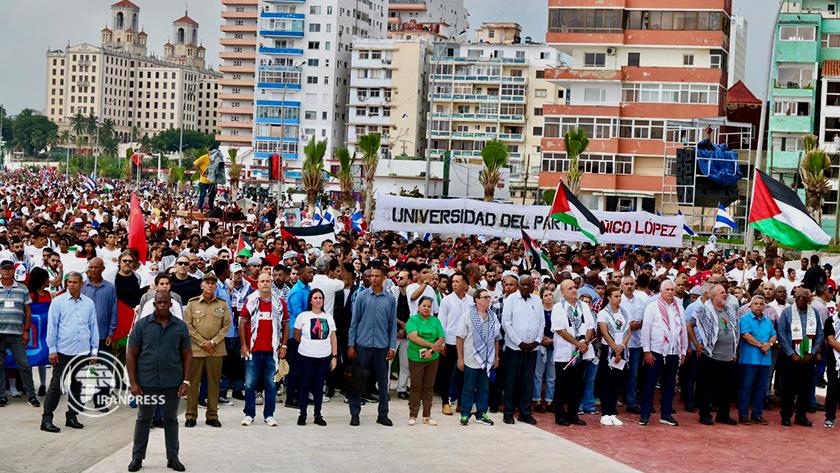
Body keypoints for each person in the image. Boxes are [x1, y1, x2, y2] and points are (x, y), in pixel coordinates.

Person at [126, 291, 192, 473]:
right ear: (154, 304)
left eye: (165, 302)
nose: (162, 305)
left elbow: (187, 355)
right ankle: (137, 457)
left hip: (172, 381)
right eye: (159, 302)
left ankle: (173, 457)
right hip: (146, 381)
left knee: (171, 419)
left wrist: (186, 381)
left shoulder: (180, 327)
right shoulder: (141, 326)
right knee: (143, 419)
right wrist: (133, 382)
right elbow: (131, 354)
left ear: (171, 304)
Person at [41, 272, 98, 433]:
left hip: (83, 351)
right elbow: (52, 327)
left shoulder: (89, 303)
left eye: (74, 282)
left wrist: (94, 351)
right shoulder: (58, 302)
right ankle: (46, 419)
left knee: (77, 385)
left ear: (81, 284)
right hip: (63, 350)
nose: (71, 285)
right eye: (69, 282)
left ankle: (72, 416)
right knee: (56, 386)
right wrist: (52, 349)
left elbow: (93, 328)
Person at [347, 262, 397, 427]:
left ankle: (383, 415)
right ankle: (355, 414)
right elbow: (354, 322)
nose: (373, 278)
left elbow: (392, 325)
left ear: (383, 278)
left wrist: (392, 347)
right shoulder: (362, 297)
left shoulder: (390, 299)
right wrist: (351, 345)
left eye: (376, 276)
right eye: (371, 276)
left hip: (381, 346)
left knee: (383, 383)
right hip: (363, 345)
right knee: (358, 381)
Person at [183, 272, 231, 428]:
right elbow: (188, 325)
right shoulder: (192, 303)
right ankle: (191, 415)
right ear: (202, 285)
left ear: (215, 286)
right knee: (192, 383)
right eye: (207, 282)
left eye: (212, 283)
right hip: (196, 349)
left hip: (215, 350)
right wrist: (203, 342)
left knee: (213, 383)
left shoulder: (222, 304)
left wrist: (213, 341)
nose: (210, 285)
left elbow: (226, 326)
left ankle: (212, 415)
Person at [239, 272, 287, 427]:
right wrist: (244, 345)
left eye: (268, 281)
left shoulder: (279, 302)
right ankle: (249, 414)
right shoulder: (250, 300)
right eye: (262, 281)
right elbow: (242, 322)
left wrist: (284, 345)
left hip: (272, 350)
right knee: (250, 384)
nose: (265, 283)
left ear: (271, 283)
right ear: (257, 284)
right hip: (253, 350)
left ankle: (269, 415)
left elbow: (286, 324)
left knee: (271, 384)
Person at [639, 280, 686, 426]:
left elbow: (683, 329)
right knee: (650, 384)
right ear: (661, 291)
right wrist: (646, 351)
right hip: (655, 351)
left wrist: (683, 350)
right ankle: (645, 415)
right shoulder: (653, 307)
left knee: (669, 385)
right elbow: (646, 329)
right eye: (667, 290)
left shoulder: (679, 307)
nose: (671, 292)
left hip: (673, 352)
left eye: (672, 290)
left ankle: (666, 415)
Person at [692, 284, 739, 425]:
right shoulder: (704, 310)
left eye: (726, 292)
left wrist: (734, 349)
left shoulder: (729, 310)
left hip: (728, 355)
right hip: (710, 355)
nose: (725, 295)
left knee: (726, 388)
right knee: (706, 387)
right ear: (713, 296)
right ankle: (705, 414)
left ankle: (723, 415)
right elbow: (689, 324)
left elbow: (735, 329)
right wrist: (696, 344)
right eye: (722, 293)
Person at [551, 279, 595, 426]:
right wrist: (577, 344)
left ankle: (573, 414)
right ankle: (560, 415)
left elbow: (590, 326)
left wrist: (585, 343)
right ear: (562, 292)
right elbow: (560, 330)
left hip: (582, 351)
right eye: (569, 288)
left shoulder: (583, 306)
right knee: (562, 385)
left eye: (575, 287)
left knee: (577, 385)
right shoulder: (558, 307)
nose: (574, 290)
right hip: (565, 352)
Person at [501, 275, 544, 425]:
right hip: (514, 348)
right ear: (519, 286)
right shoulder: (511, 300)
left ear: (533, 286)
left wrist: (537, 341)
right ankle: (508, 412)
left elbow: (542, 322)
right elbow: (506, 323)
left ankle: (525, 412)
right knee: (511, 381)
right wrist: (519, 343)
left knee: (528, 381)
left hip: (532, 348)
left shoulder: (537, 300)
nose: (526, 287)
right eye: (523, 285)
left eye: (529, 285)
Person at [778, 287, 824, 427]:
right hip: (790, 356)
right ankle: (786, 415)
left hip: (808, 355)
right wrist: (791, 353)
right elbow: (782, 334)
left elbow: (820, 334)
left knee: (805, 388)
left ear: (809, 299)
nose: (800, 299)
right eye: (798, 297)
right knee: (788, 388)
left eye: (804, 297)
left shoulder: (814, 313)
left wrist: (812, 352)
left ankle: (801, 415)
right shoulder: (787, 312)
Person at [456, 288, 500, 426]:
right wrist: (460, 358)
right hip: (470, 358)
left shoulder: (493, 316)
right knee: (469, 387)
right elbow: (459, 337)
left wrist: (497, 357)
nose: (488, 299)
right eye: (485, 297)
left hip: (487, 359)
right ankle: (465, 413)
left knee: (484, 388)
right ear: (477, 299)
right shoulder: (468, 315)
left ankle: (482, 413)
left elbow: (496, 339)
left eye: (489, 297)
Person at [294, 288, 338, 426]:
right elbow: (296, 334)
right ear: (310, 300)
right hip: (306, 356)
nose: (318, 300)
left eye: (320, 298)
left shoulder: (328, 317)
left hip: (324, 357)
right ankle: (302, 414)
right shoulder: (303, 316)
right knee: (305, 385)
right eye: (315, 298)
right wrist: (307, 344)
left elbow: (333, 337)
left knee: (319, 386)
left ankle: (318, 415)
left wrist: (334, 356)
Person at [0, 259, 39, 408]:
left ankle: (31, 395)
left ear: (13, 271)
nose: (7, 271)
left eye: (10, 269)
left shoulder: (22, 288)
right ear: (0, 271)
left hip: (16, 334)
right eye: (4, 269)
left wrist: (27, 331)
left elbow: (28, 311)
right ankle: (1, 396)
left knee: (24, 364)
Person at [436, 272, 473, 415]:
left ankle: (461, 402)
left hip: (467, 343)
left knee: (464, 374)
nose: (455, 284)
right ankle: (445, 402)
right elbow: (441, 323)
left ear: (465, 284)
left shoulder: (471, 301)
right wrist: (442, 342)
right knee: (446, 374)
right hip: (450, 342)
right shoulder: (447, 300)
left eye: (458, 281)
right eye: (453, 282)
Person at [406, 296, 445, 425]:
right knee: (416, 387)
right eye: (424, 306)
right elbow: (413, 337)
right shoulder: (413, 320)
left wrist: (432, 351)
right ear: (418, 307)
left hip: (432, 358)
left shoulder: (435, 321)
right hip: (416, 358)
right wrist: (431, 345)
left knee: (429, 387)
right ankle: (413, 415)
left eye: (429, 306)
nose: (427, 308)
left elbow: (441, 338)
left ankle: (427, 416)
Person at [737, 295, 776, 425]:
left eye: (761, 304)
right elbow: (746, 335)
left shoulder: (768, 321)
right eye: (756, 304)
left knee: (761, 389)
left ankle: (757, 415)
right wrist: (762, 345)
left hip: (764, 360)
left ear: (764, 307)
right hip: (749, 359)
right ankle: (743, 415)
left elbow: (774, 335)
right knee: (746, 388)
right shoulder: (744, 319)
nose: (759, 306)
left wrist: (768, 345)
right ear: (751, 306)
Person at [597, 286, 632, 426]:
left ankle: (612, 412)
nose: (619, 299)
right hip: (609, 350)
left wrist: (622, 347)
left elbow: (628, 330)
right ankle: (605, 412)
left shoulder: (624, 312)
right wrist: (614, 349)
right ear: (609, 297)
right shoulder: (603, 313)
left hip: (621, 349)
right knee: (607, 381)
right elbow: (605, 333)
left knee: (617, 381)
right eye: (616, 296)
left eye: (620, 296)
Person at [284, 264, 313, 409]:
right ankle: (291, 397)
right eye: (309, 272)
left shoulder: (307, 289)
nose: (312, 274)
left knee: (302, 367)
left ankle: (301, 394)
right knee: (294, 367)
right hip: (296, 333)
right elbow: (298, 312)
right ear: (301, 274)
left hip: (305, 333)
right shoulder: (297, 291)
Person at [619, 276, 645, 414]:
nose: (629, 286)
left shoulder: (641, 302)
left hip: (635, 343)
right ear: (622, 286)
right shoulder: (618, 300)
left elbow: (645, 319)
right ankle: (614, 401)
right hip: (620, 343)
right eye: (626, 284)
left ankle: (631, 402)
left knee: (633, 374)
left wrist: (639, 324)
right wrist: (628, 326)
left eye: (631, 284)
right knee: (617, 373)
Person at [533, 286, 555, 413]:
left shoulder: (557, 311)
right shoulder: (539, 311)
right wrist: (541, 339)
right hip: (540, 344)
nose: (548, 297)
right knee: (538, 374)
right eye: (545, 295)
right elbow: (536, 326)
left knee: (551, 375)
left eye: (550, 294)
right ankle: (536, 399)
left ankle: (549, 400)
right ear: (541, 297)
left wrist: (552, 340)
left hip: (553, 344)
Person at [825, 304, 840, 428]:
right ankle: (830, 417)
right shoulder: (830, 321)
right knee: (832, 389)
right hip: (834, 360)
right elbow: (831, 341)